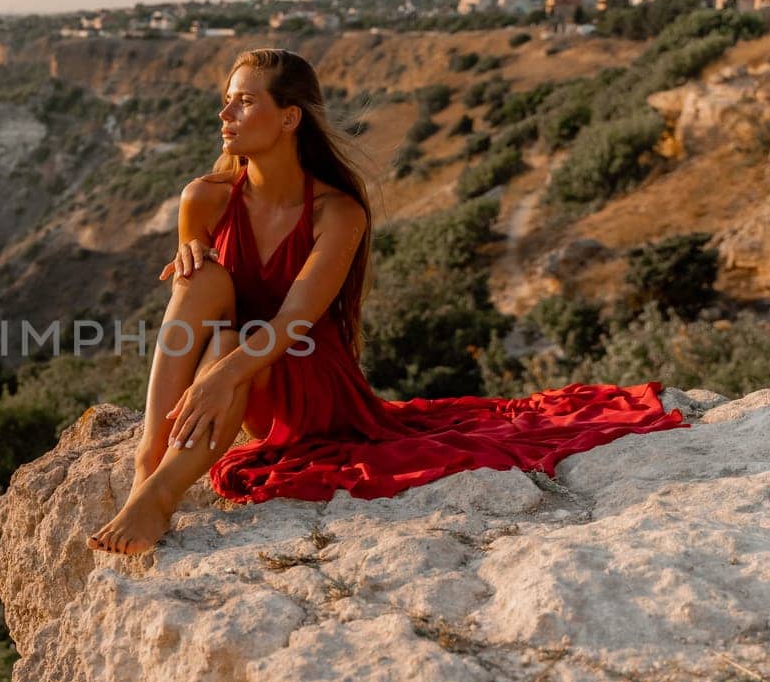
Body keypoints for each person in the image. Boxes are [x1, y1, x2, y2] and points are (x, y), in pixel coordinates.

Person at [87, 48, 686, 555]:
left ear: (290, 117)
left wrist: (221, 375)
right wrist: (191, 254)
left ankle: (161, 496)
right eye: (228, 99)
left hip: (305, 378)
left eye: (245, 101)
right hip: (235, 366)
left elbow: (296, 321)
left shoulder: (336, 213)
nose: (225, 113)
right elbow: (193, 311)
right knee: (201, 283)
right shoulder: (206, 197)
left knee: (230, 342)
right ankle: (151, 461)